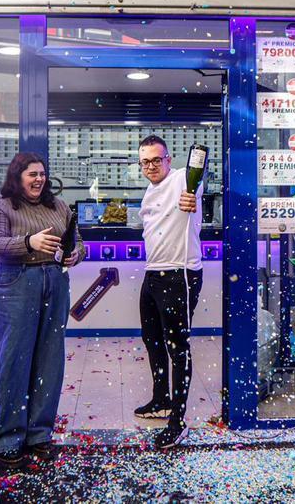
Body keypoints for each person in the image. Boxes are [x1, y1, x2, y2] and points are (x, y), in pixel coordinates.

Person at [0, 152, 84, 470]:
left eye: (42, 174)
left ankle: (39, 435)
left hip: (54, 283)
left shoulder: (60, 207)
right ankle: (5, 441)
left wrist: (76, 254)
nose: (39, 179)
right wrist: (29, 241)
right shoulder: (1, 207)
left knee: (49, 361)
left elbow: (79, 243)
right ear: (18, 177)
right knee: (13, 361)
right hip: (16, 283)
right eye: (32, 174)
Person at [132, 135, 203, 450]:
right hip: (153, 273)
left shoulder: (182, 181)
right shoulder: (149, 191)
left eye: (156, 160)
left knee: (177, 346)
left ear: (168, 159)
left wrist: (193, 197)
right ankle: (161, 400)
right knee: (152, 340)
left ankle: (178, 420)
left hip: (180, 274)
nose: (150, 166)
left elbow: (194, 186)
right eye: (145, 161)